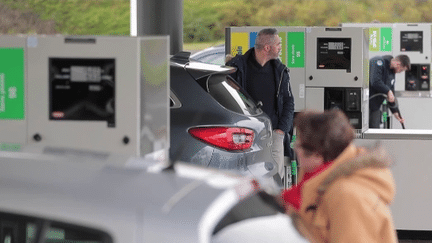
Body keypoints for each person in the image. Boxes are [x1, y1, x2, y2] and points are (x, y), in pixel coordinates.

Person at [280, 109, 398, 243]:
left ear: (317, 154)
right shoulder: (321, 179)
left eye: (298, 145)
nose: (295, 148)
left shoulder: (347, 195)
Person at [226, 28, 295, 183]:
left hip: (273, 136)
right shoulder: (237, 67)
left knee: (275, 180)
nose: (280, 47)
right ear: (267, 48)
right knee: (247, 180)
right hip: (245, 136)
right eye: (278, 44)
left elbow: (289, 102)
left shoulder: (280, 70)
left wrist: (281, 131)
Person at [369, 54, 410, 128]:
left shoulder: (392, 73)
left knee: (374, 130)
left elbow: (391, 94)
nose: (399, 72)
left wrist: (395, 112)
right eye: (401, 70)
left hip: (375, 106)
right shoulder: (378, 62)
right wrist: (388, 91)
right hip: (366, 103)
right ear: (398, 64)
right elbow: (375, 81)